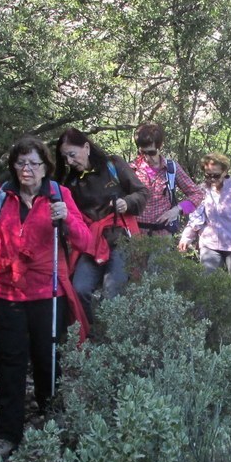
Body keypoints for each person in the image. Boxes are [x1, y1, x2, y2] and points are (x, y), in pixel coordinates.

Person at [0, 136, 90, 462]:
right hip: (7, 289)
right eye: (20, 163)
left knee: (48, 361)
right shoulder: (2, 195)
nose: (26, 169)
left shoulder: (60, 195)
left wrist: (67, 220)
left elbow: (84, 239)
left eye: (33, 163)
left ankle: (51, 424)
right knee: (12, 363)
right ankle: (7, 437)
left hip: (48, 290)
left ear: (46, 167)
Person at [56, 127, 149, 325]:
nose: (69, 162)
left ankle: (114, 339)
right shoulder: (71, 182)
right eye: (65, 158)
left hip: (121, 238)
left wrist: (127, 203)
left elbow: (141, 192)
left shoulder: (113, 165)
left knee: (112, 291)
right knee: (79, 288)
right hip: (92, 242)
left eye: (72, 155)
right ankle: (90, 336)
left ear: (86, 147)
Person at [177, 153, 231, 278]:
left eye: (215, 175)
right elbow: (196, 218)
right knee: (207, 283)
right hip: (209, 245)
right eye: (207, 175)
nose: (212, 179)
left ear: (225, 171)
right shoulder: (202, 191)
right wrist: (186, 238)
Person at [130, 123, 204, 236]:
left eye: (152, 152)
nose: (147, 157)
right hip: (135, 236)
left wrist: (177, 210)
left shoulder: (171, 168)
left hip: (162, 236)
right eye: (143, 152)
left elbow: (197, 194)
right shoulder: (131, 169)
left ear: (161, 146)